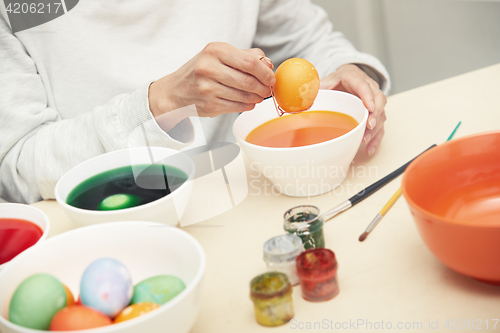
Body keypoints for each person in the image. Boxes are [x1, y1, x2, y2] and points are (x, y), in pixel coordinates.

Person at [0, 0, 390, 204]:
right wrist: (162, 103)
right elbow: (18, 167)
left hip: (250, 194)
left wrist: (350, 73)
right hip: (108, 220)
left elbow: (309, 40)